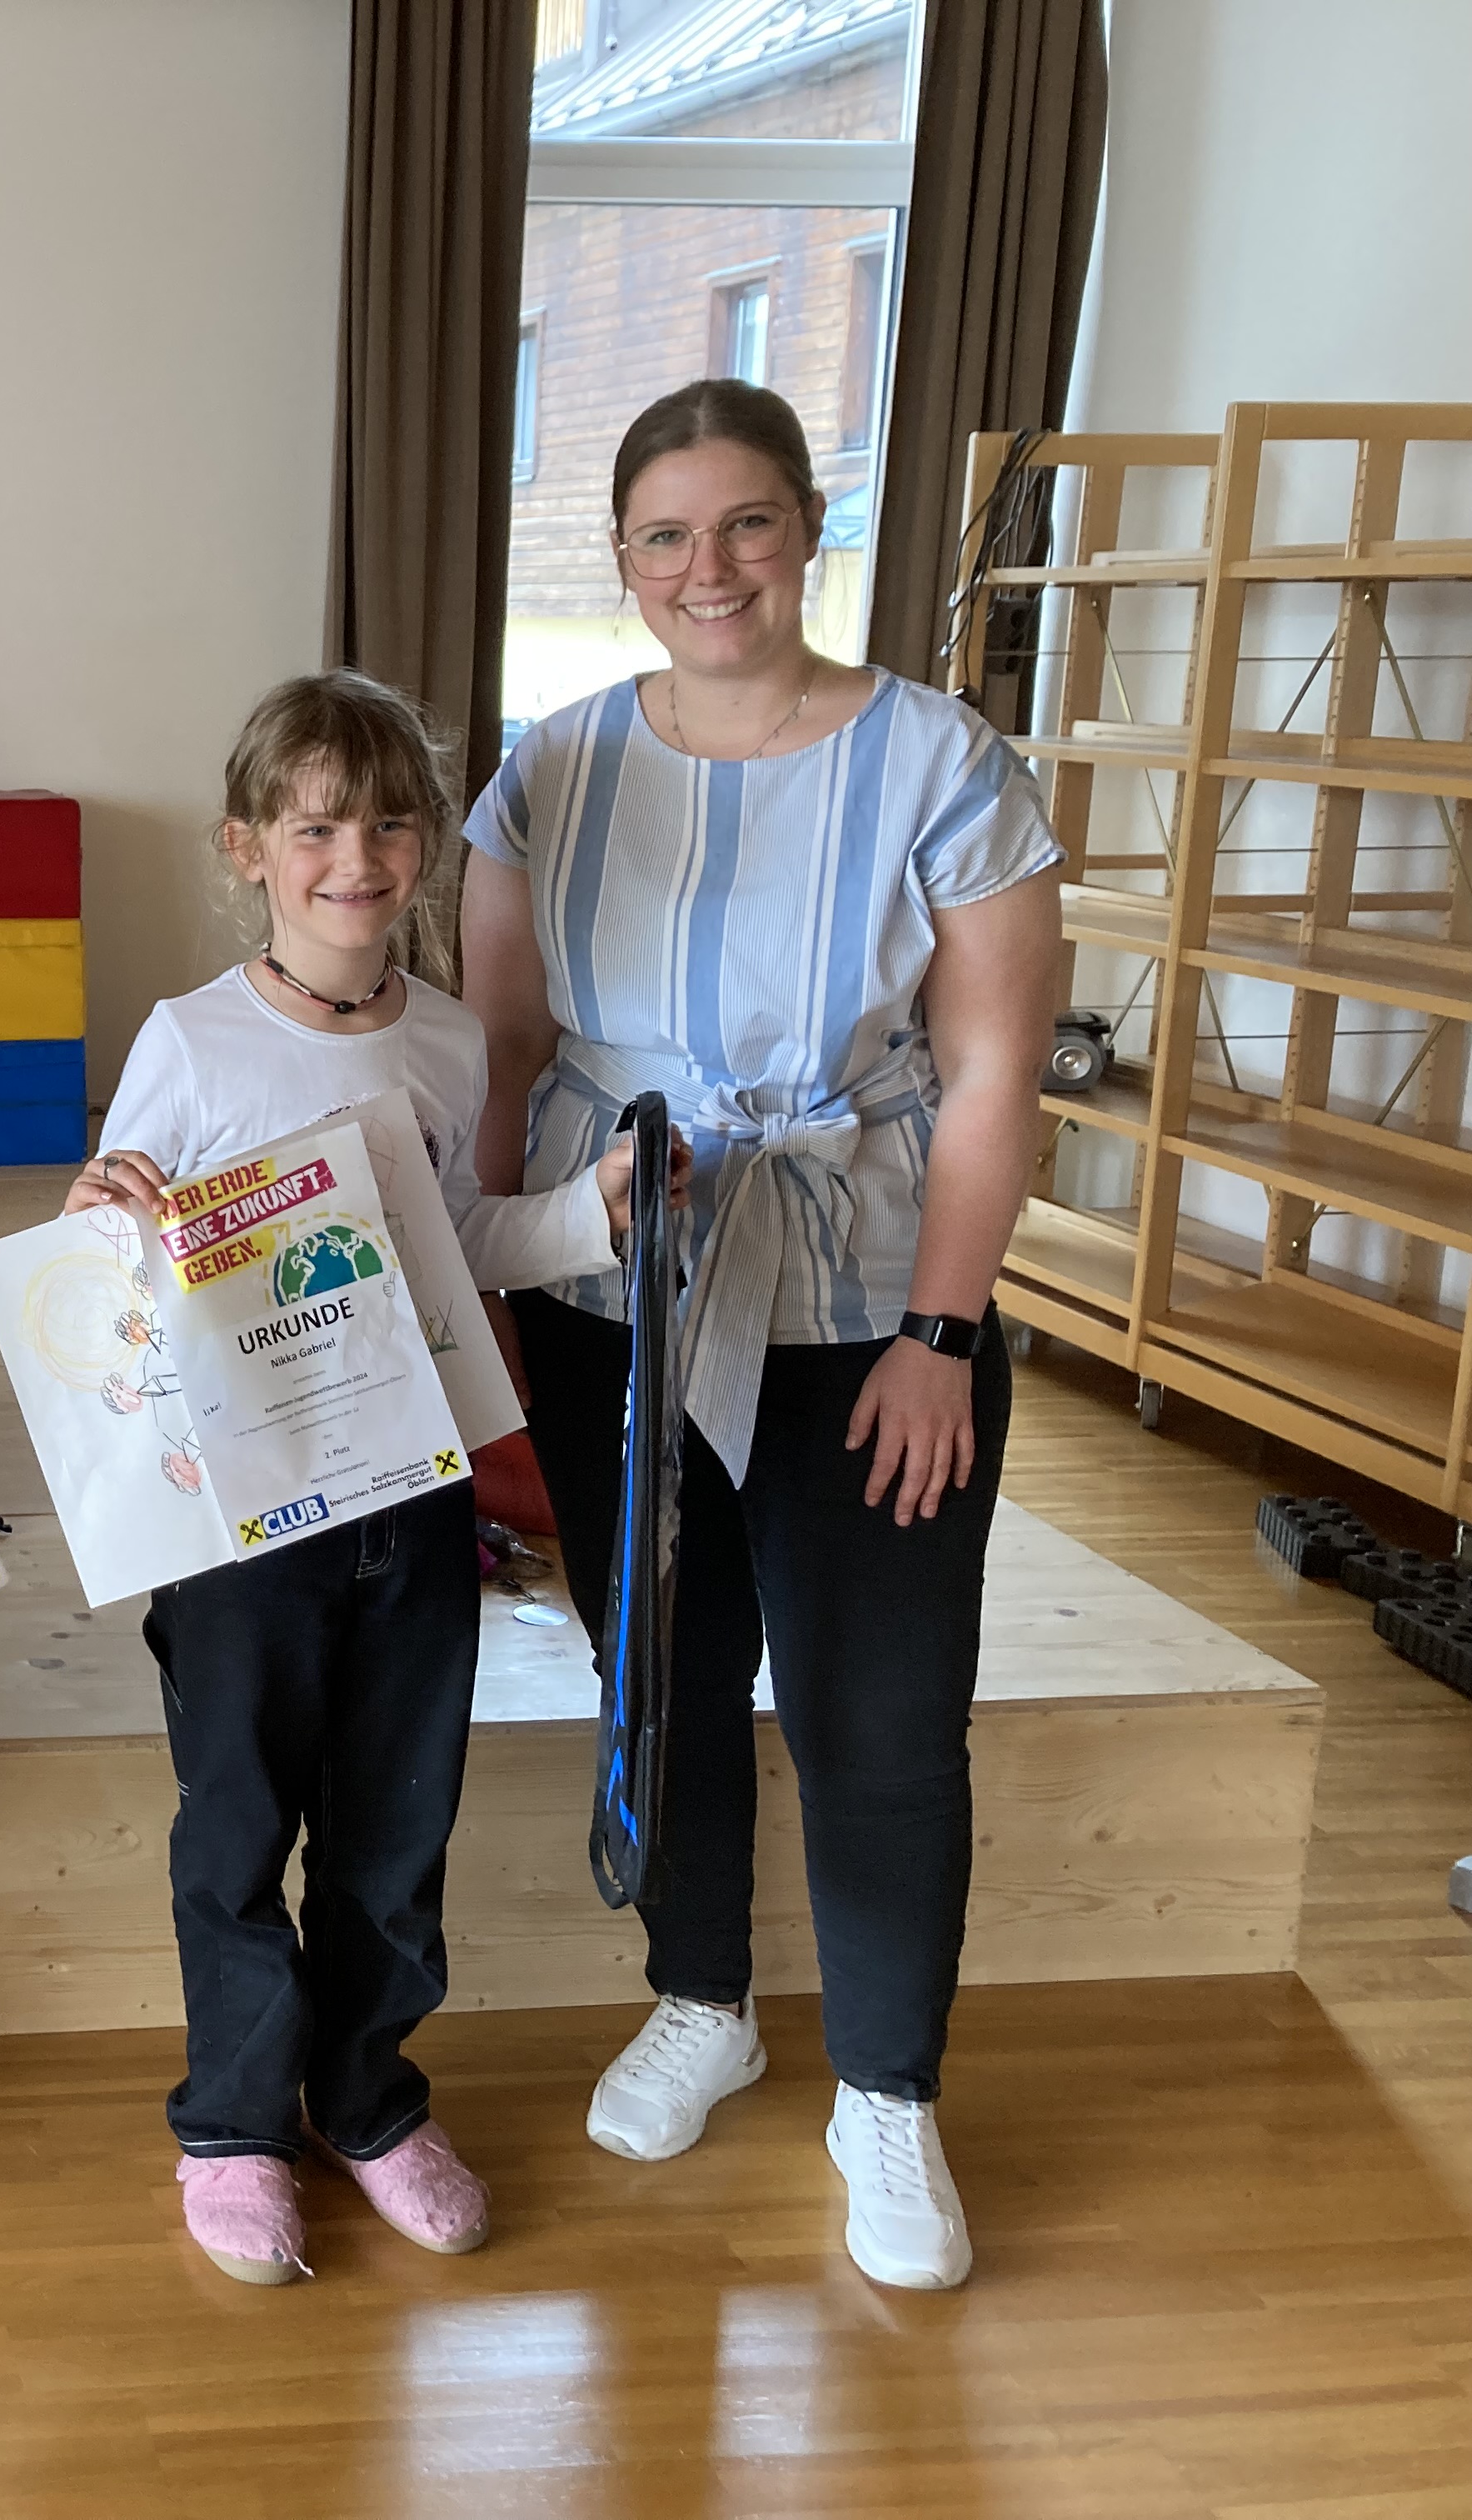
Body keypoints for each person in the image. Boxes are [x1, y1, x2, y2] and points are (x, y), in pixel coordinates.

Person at [462, 378, 1060, 2292]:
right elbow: (502, 1057)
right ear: (619, 556)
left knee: (882, 1708)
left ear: (808, 530)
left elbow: (993, 1074)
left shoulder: (942, 762)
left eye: (745, 524)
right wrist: (485, 1319)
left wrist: (941, 1333)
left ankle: (886, 2090)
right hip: (612, 1294)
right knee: (667, 1665)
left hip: (866, 1299)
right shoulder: (549, 770)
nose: (705, 567)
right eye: (664, 534)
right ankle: (702, 1998)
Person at [75, 671, 660, 2287]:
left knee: (398, 1819)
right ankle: (235, 2125)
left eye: (392, 823)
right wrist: (99, 1218)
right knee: (237, 1825)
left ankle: (368, 2101)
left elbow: (456, 1245)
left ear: (428, 844)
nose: (358, 859)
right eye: (318, 828)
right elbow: (114, 1269)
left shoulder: (452, 1039)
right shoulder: (191, 1041)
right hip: (238, 1524)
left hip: (411, 1496)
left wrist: (593, 1213)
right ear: (248, 848)